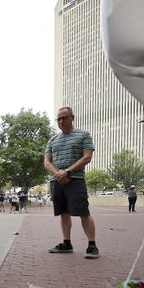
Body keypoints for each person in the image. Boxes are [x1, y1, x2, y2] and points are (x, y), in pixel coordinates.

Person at [45, 106, 99, 259]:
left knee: (83, 212)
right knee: (63, 213)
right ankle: (66, 243)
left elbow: (87, 157)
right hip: (57, 181)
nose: (61, 121)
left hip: (75, 179)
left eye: (64, 117)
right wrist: (58, 174)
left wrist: (67, 172)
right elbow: (47, 161)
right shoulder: (52, 140)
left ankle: (92, 245)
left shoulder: (83, 135)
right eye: (59, 119)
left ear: (72, 117)